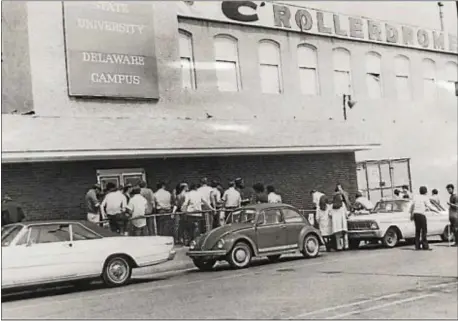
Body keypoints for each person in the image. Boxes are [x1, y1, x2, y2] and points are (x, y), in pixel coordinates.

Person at [410, 186, 439, 250]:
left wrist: (411, 215)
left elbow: (412, 206)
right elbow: (429, 206)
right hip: (421, 214)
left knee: (417, 230)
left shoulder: (416, 197)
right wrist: (437, 210)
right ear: (426, 192)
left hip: (415, 214)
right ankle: (425, 246)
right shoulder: (425, 198)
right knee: (424, 230)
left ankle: (417, 246)